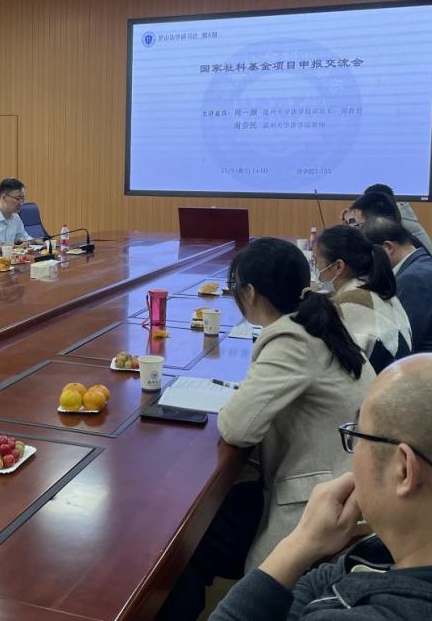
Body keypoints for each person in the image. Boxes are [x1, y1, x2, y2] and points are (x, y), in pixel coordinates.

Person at [208, 353, 432, 621]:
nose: (353, 452)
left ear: (404, 470)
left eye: (358, 435)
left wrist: (298, 542)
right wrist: (309, 543)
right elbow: (320, 586)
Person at [158, 238, 374, 620]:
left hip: (321, 501)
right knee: (196, 533)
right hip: (348, 481)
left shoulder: (291, 338)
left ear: (251, 292)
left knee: (183, 542)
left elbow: (237, 427)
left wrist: (238, 400)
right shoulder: (317, 319)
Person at [314, 225, 412, 372]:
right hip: (394, 378)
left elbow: (328, 366)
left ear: (338, 266)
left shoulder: (347, 303)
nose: (315, 267)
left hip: (377, 383)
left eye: (316, 261)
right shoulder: (377, 289)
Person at [361, 218, 432, 353]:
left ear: (388, 248)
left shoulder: (414, 280)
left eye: (369, 256)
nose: (368, 265)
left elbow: (401, 343)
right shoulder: (418, 265)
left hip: (423, 362)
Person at [345, 184, 432, 258]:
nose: (361, 229)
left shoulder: (394, 229)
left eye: (359, 225)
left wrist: (351, 225)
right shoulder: (394, 217)